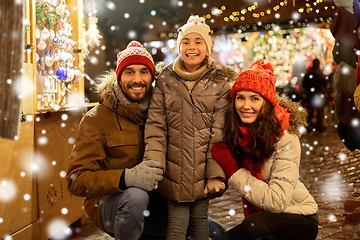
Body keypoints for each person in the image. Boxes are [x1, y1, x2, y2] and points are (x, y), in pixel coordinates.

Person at [66, 40, 225, 240]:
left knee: (216, 233)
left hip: (158, 204)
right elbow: (76, 180)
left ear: (152, 76)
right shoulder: (96, 119)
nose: (137, 79)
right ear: (119, 76)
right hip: (112, 204)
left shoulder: (165, 111)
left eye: (144, 72)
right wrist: (125, 178)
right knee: (136, 197)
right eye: (129, 72)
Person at [143, 15, 236, 240]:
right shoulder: (166, 79)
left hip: (203, 170)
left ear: (207, 47)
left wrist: (214, 174)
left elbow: (219, 132)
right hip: (174, 171)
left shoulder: (220, 83)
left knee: (199, 226)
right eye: (186, 42)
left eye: (198, 41)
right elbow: (156, 126)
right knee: (176, 228)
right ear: (178, 46)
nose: (191, 47)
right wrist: (154, 167)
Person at [212, 60, 319, 240]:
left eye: (254, 99)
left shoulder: (285, 139)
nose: (246, 106)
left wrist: (233, 171)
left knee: (254, 229)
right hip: (263, 218)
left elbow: (277, 201)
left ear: (267, 103)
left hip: (299, 218)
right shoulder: (239, 134)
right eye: (240, 98)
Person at [302, 58, 327, 132]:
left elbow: (304, 84)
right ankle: (319, 127)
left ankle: (310, 127)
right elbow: (324, 84)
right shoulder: (320, 73)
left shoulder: (309, 73)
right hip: (317, 94)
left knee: (311, 112)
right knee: (318, 112)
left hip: (311, 94)